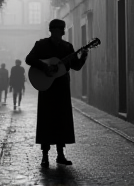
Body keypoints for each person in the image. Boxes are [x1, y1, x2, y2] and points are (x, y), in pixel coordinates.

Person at [25, 19, 88, 168]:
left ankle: (60, 155)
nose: (57, 32)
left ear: (61, 31)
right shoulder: (41, 45)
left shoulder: (67, 47)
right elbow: (29, 59)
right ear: (51, 30)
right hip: (46, 87)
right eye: (55, 29)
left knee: (62, 120)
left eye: (59, 29)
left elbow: (76, 66)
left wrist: (84, 56)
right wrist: (44, 67)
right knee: (46, 120)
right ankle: (45, 156)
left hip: (62, 87)